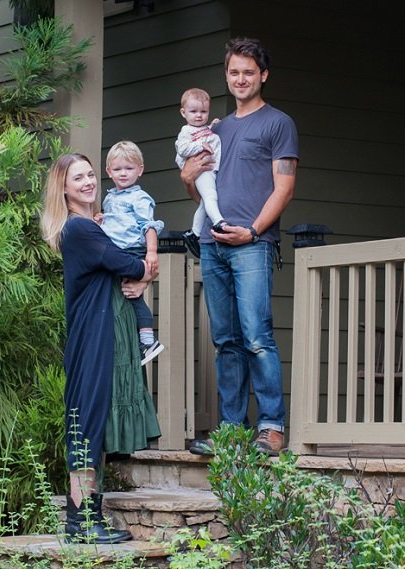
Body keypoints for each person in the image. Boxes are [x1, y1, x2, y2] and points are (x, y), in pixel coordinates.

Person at [180, 37, 299, 457]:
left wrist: (252, 231)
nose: (241, 79)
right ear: (226, 76)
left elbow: (283, 188)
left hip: (252, 245)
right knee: (225, 340)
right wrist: (187, 179)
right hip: (214, 244)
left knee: (257, 337)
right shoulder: (215, 129)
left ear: (262, 75)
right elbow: (206, 192)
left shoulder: (277, 123)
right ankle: (232, 430)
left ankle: (271, 426)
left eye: (249, 72)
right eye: (234, 72)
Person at [40, 153, 161, 543]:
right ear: (64, 187)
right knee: (86, 426)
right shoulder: (80, 230)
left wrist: (139, 274)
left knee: (93, 425)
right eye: (79, 178)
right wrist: (144, 271)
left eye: (91, 174)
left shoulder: (91, 225)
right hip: (92, 337)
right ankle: (80, 523)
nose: (89, 182)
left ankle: (90, 517)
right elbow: (127, 263)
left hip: (97, 334)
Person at [99, 141, 165, 365]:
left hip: (132, 250)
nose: (123, 173)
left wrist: (152, 252)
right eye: (117, 169)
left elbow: (149, 226)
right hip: (116, 251)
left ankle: (148, 340)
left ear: (140, 169)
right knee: (126, 293)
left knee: (133, 295)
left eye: (128, 168)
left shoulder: (139, 198)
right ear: (109, 171)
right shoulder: (110, 198)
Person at [175, 88, 227, 259]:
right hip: (201, 169)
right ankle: (219, 222)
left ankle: (194, 233)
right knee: (211, 196)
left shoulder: (202, 129)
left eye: (203, 111)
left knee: (205, 202)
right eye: (193, 111)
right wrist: (200, 147)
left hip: (210, 169)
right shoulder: (186, 131)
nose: (199, 115)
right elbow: (182, 149)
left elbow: (207, 135)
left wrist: (212, 126)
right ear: (183, 112)